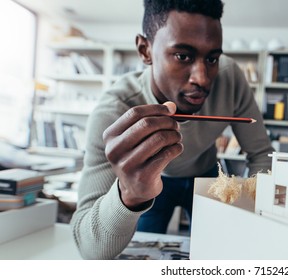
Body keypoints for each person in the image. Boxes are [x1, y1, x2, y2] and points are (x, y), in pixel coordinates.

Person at [70, 0, 274, 259]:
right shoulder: (114, 111)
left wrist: (251, 211)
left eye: (212, 58)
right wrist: (130, 194)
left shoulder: (230, 77)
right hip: (151, 183)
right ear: (145, 50)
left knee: (217, 253)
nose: (202, 78)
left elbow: (262, 155)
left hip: (206, 175)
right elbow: (90, 249)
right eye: (183, 56)